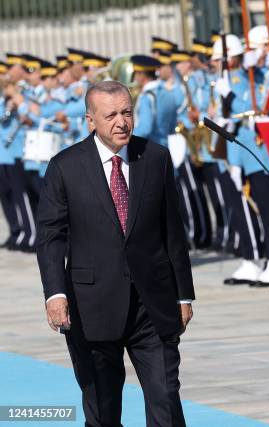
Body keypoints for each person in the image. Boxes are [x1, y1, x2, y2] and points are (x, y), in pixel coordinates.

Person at [36, 81, 195, 426]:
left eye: (126, 112)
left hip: (152, 305)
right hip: (91, 306)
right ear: (91, 120)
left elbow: (173, 231)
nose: (121, 122)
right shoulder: (65, 166)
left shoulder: (155, 158)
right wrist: (55, 294)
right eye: (111, 115)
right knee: (103, 411)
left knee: (166, 400)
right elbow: (50, 237)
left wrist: (183, 294)